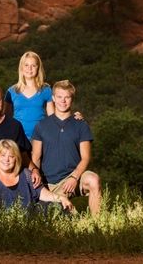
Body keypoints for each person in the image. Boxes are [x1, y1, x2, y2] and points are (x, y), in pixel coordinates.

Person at [0, 50, 81, 139]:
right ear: (22, 68)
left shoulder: (46, 89)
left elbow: (53, 117)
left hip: (40, 137)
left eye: (33, 65)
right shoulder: (12, 91)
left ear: (38, 68)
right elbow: (3, 116)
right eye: (26, 65)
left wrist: (72, 119)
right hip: (16, 137)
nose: (30, 69)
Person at [31, 80, 102, 215]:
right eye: (59, 97)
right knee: (51, 214)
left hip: (74, 177)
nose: (63, 101)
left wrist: (74, 177)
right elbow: (36, 157)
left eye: (67, 97)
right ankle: (73, 216)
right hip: (50, 183)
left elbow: (86, 157)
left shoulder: (81, 125)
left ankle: (98, 223)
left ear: (72, 99)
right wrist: (37, 183)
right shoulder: (42, 126)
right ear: (53, 98)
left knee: (93, 179)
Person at [0, 139, 73, 216]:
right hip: (1, 222)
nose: (7, 160)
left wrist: (61, 198)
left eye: (11, 156)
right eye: (3, 155)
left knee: (59, 206)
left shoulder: (25, 174)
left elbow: (43, 194)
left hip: (29, 217)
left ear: (16, 158)